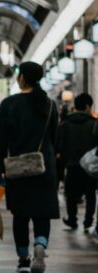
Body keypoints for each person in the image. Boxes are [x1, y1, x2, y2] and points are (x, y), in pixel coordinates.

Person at [0, 62, 59, 273]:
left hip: (18, 169)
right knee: (42, 213)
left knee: (20, 215)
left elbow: (0, 140)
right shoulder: (49, 104)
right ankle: (40, 243)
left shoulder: (9, 104)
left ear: (21, 78)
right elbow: (53, 139)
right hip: (44, 167)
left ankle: (23, 258)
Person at [57, 93, 98, 232]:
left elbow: (60, 146)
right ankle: (88, 221)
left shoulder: (65, 124)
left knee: (71, 194)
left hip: (72, 165)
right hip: (90, 167)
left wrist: (65, 162)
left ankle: (72, 219)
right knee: (90, 194)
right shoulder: (94, 124)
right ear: (87, 106)